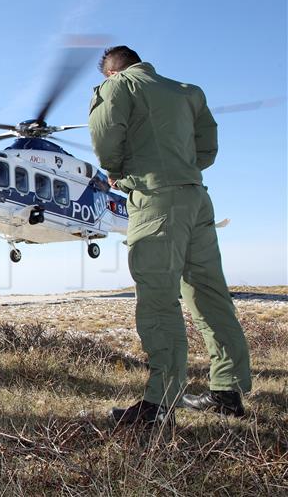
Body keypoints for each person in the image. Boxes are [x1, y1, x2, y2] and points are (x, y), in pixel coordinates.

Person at [88, 45, 251, 426]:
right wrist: (179, 167)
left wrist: (118, 170)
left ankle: (160, 403)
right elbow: (206, 149)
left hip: (157, 200)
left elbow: (104, 137)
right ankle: (227, 392)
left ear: (112, 72)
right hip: (197, 198)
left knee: (158, 297)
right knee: (209, 293)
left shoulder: (120, 86)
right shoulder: (187, 91)